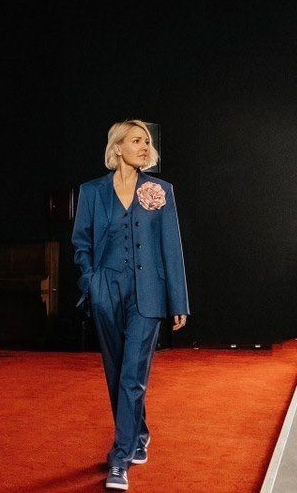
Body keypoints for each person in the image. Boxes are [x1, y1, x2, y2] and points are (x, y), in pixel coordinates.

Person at [71, 119, 191, 491]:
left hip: (148, 294)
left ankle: (120, 457)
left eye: (147, 142)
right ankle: (137, 432)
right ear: (117, 146)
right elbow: (81, 244)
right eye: (136, 140)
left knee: (132, 374)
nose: (144, 147)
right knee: (116, 371)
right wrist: (91, 282)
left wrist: (178, 300)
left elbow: (171, 247)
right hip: (106, 291)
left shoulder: (161, 190)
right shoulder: (91, 192)